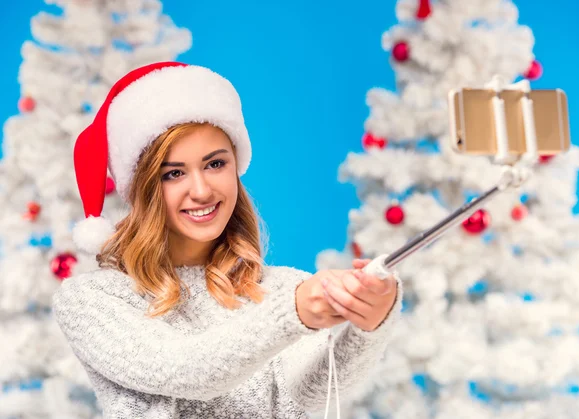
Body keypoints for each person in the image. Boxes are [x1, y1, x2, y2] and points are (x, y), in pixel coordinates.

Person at [52, 61, 403, 419]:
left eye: (215, 164)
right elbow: (183, 369)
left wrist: (369, 323)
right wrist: (292, 313)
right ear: (142, 188)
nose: (201, 190)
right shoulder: (92, 300)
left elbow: (311, 396)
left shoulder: (284, 287)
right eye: (173, 173)